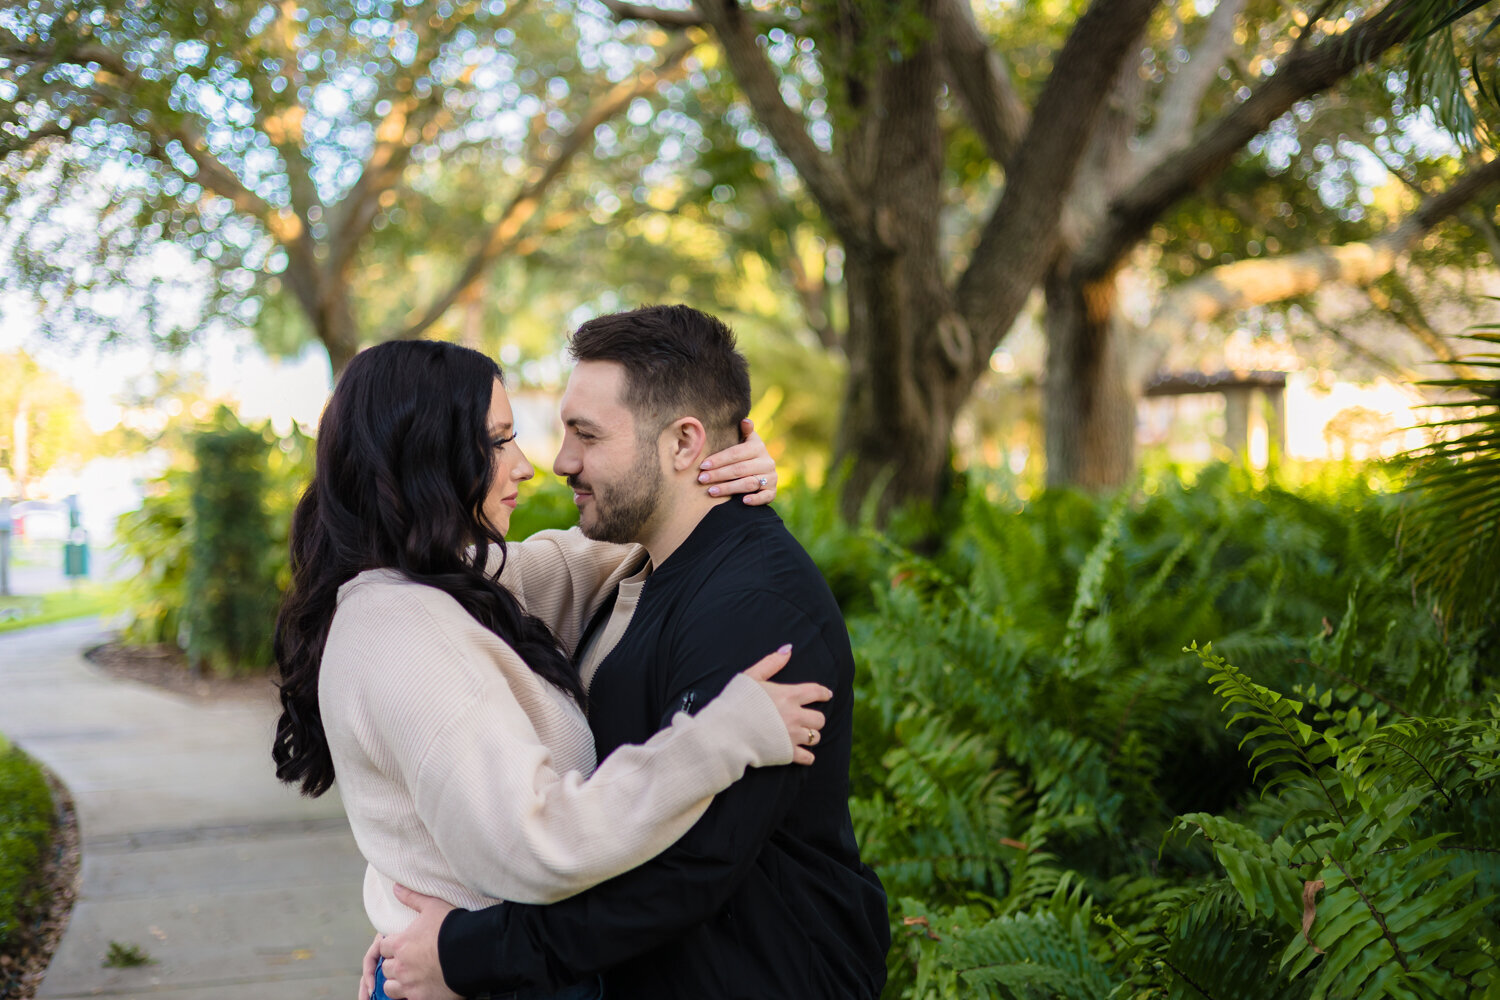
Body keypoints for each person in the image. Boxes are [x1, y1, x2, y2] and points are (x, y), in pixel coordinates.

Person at [270, 339, 834, 1000]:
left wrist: (708, 480)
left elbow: (586, 558)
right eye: (500, 441)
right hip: (471, 978)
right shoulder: (399, 633)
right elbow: (536, 843)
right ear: (429, 455)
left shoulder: (442, 586)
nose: (532, 465)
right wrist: (719, 738)